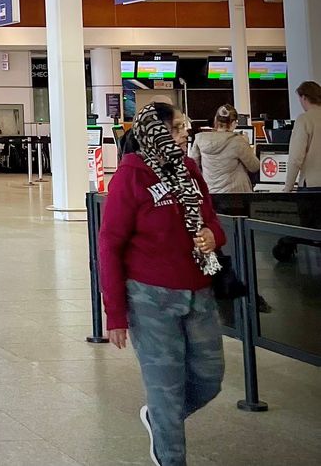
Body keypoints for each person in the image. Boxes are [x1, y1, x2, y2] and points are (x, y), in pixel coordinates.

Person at [99, 102, 226, 466]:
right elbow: (109, 244)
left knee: (210, 377)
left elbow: (212, 220)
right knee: (166, 389)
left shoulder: (188, 169)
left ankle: (160, 419)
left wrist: (211, 237)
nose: (186, 133)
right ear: (156, 134)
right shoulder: (131, 177)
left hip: (198, 293)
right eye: (177, 128)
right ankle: (170, 449)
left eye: (185, 126)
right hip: (149, 298)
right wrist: (116, 314)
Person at [188, 104, 258, 194]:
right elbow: (254, 167)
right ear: (233, 123)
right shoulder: (238, 141)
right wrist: (247, 144)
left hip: (210, 194)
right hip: (236, 196)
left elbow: (193, 167)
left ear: (215, 120)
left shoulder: (200, 139)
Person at [284, 80, 321, 192]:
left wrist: (288, 188)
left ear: (304, 98)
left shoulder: (304, 120)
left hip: (312, 185)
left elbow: (296, 158)